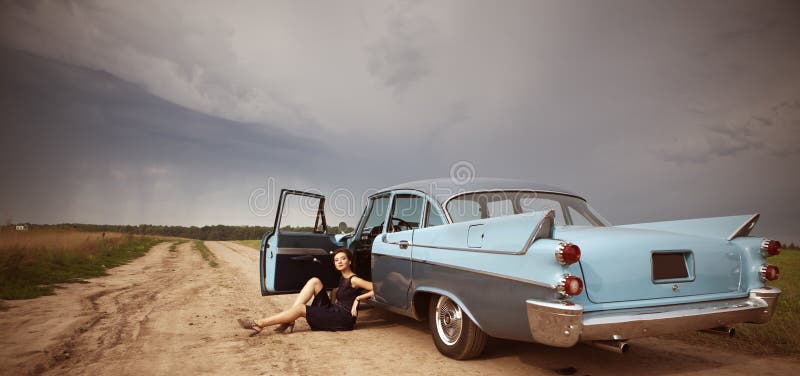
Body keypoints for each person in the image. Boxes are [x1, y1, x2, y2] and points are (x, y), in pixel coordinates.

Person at [238, 248, 374, 335]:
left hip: (343, 319)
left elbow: (378, 289)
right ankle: (290, 319)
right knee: (315, 281)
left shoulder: (354, 279)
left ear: (349, 261)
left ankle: (259, 324)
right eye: (336, 260)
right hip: (335, 311)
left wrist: (358, 299)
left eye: (343, 259)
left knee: (301, 309)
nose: (339, 262)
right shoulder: (342, 277)